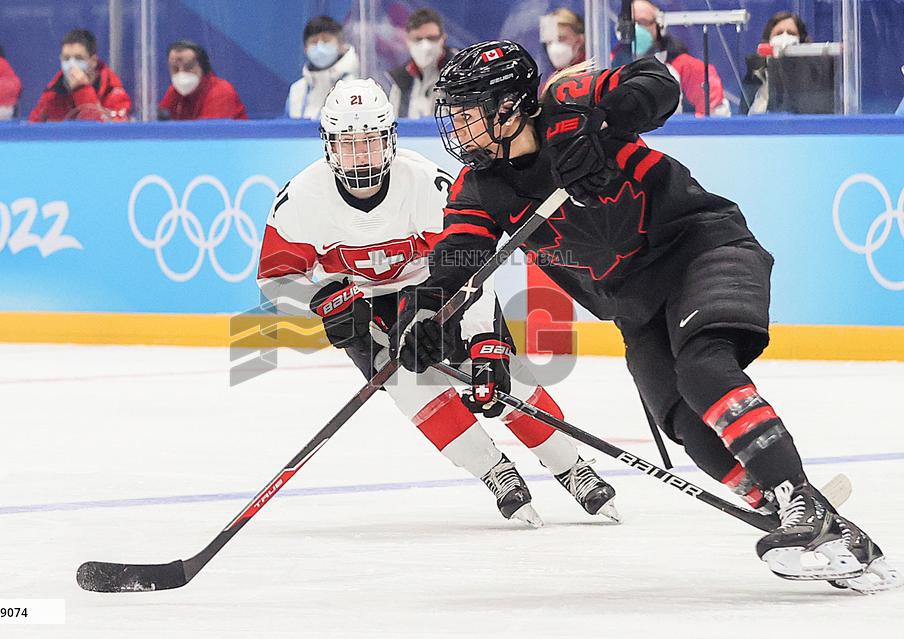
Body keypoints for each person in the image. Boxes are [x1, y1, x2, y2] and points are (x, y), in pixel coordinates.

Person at [392, 40, 899, 593]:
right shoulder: (478, 188)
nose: (458, 130)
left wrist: (606, 119)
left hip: (703, 249)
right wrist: (421, 313)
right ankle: (803, 514)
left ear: (509, 106)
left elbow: (658, 83)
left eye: (468, 114)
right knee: (683, 422)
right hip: (636, 306)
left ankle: (797, 497)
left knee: (703, 367)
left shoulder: (569, 100)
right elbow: (456, 256)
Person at [257, 78, 619, 527]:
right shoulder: (301, 200)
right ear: (329, 146)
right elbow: (275, 280)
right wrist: (322, 299)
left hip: (437, 292)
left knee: (499, 380)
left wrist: (486, 340)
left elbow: (469, 265)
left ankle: (571, 466)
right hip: (360, 305)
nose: (361, 155)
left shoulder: (427, 183)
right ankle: (494, 470)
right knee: (411, 388)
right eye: (349, 145)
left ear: (389, 139)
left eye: (370, 141)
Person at [611, 0, 729, 117]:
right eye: (631, 24)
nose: (636, 29)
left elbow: (713, 120)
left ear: (659, 26)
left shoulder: (691, 69)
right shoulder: (609, 63)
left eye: (643, 23)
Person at [29, 29, 130, 122]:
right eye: (66, 58)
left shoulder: (113, 93)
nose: (72, 65)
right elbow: (32, 129)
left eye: (79, 58)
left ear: (93, 61)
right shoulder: (53, 94)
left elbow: (98, 133)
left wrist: (82, 90)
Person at [386, 8, 458, 119]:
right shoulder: (401, 80)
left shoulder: (461, 70)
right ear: (407, 40)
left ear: (443, 38)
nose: (425, 46)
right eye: (418, 39)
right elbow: (394, 123)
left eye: (432, 38)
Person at [286, 16, 359, 119]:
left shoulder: (355, 86)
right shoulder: (297, 89)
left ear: (341, 45)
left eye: (326, 40)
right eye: (314, 42)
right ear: (305, 49)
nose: (320, 47)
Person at [158, 40, 248, 120]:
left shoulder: (221, 91)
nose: (181, 74)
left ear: (203, 67)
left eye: (188, 67)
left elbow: (209, 134)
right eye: (175, 69)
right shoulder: (174, 90)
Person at [742, 12, 810, 114]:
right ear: (769, 39)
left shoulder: (811, 74)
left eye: (791, 33)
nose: (785, 37)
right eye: (779, 33)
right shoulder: (755, 74)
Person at [540, 8, 586, 73]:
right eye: (549, 42)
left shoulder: (592, 74)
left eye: (561, 39)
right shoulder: (554, 79)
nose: (554, 47)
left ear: (580, 40)